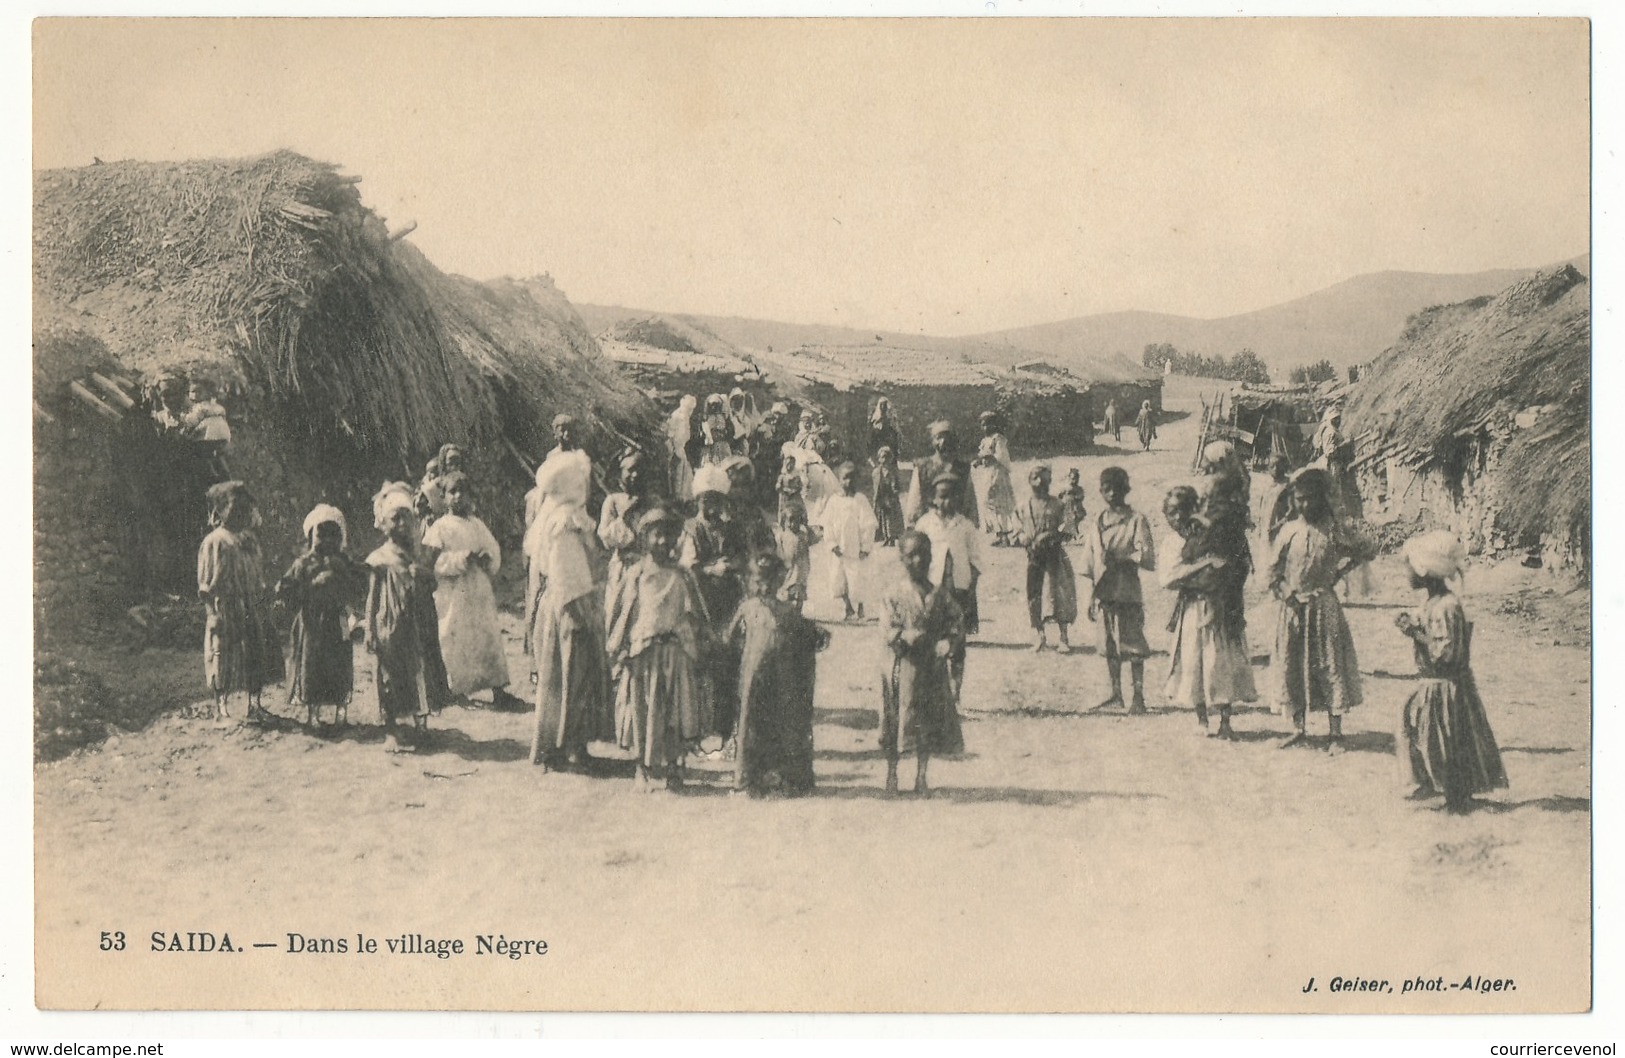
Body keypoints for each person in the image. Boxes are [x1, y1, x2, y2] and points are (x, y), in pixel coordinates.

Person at [1394, 531, 1508, 812]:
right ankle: (1438, 788)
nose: (1406, 572)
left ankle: (1456, 797)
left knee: (1448, 738)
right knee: (1427, 735)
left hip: (1446, 685)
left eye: (1410, 566)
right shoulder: (1434, 604)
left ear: (1426, 571)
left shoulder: (1446, 607)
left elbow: (1445, 652)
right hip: (1435, 683)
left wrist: (1415, 634)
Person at [606, 503, 712, 792]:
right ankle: (644, 766)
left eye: (669, 535)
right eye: (656, 535)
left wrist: (699, 648)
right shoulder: (635, 575)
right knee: (643, 711)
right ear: (644, 539)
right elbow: (623, 612)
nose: (663, 542)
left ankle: (676, 767)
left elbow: (696, 616)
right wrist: (620, 648)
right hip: (644, 654)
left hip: (676, 654)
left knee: (676, 711)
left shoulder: (683, 577)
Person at [1268, 466, 1366, 753]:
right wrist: (1287, 595)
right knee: (1292, 663)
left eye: (1310, 498)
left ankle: (1335, 733)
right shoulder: (1288, 531)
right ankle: (1298, 728)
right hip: (1293, 609)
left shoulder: (1333, 530)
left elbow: (1363, 549)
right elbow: (1272, 571)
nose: (1305, 504)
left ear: (1322, 499)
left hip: (1323, 608)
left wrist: (1337, 574)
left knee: (1329, 663)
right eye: (1299, 499)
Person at [527, 456, 614, 773]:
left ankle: (573, 743)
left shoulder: (570, 516)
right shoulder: (563, 522)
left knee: (572, 677)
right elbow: (566, 574)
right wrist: (583, 613)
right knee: (571, 677)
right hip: (569, 607)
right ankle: (568, 746)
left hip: (572, 601)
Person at [421, 472, 525, 710]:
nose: (459, 497)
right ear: (444, 497)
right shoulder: (439, 528)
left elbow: (493, 549)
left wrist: (488, 558)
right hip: (454, 593)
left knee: (487, 636)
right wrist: (459, 560)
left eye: (464, 492)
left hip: (478, 591)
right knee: (454, 638)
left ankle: (498, 688)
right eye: (453, 492)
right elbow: (431, 562)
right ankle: (456, 689)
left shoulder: (476, 524)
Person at [729, 552, 829, 797]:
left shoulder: (787, 612)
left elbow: (809, 634)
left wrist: (818, 632)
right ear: (749, 581)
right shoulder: (746, 608)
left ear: (779, 580)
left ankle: (781, 777)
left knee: (781, 723)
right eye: (757, 580)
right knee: (751, 725)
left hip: (781, 680)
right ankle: (748, 779)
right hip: (753, 679)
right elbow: (730, 638)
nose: (763, 586)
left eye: (769, 580)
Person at [1159, 486, 1256, 739]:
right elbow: (1168, 578)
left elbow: (1235, 566)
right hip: (1192, 607)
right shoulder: (1172, 543)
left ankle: (1225, 719)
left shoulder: (1213, 535)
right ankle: (1201, 717)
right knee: (1193, 661)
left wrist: (1220, 580)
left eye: (1182, 511)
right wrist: (1203, 566)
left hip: (1220, 605)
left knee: (1220, 661)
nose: (1177, 518)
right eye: (1171, 513)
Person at [364, 483, 452, 753]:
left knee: (420, 673)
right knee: (391, 675)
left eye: (406, 517)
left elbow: (433, 584)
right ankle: (392, 729)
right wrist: (369, 629)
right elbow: (372, 596)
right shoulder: (380, 558)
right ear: (384, 523)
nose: (401, 524)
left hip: (418, 624)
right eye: (395, 518)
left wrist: (422, 576)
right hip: (389, 626)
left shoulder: (421, 554)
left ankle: (421, 725)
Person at [878, 531, 966, 797]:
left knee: (925, 723)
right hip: (902, 668)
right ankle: (892, 774)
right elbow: (887, 628)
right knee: (897, 720)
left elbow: (956, 621)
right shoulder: (893, 594)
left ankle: (921, 775)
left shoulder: (938, 594)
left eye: (924, 555)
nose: (918, 560)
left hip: (930, 669)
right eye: (911, 556)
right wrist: (904, 636)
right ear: (901, 559)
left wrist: (948, 642)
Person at [275, 504, 367, 729]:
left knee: (341, 665)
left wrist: (343, 574)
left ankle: (341, 712)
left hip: (339, 621)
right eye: (321, 534)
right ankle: (313, 713)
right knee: (312, 665)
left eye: (333, 535)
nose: (327, 540)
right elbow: (288, 587)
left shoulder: (344, 562)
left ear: (341, 538)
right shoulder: (303, 563)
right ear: (310, 536)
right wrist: (292, 593)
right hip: (312, 623)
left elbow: (359, 586)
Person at [196, 481, 281, 723]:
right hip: (226, 608)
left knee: (255, 651)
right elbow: (206, 585)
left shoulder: (249, 540)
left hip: (251, 605)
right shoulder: (215, 541)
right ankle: (222, 708)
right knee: (222, 655)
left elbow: (257, 575)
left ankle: (254, 704)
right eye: (236, 508)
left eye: (245, 508)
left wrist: (262, 598)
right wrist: (212, 613)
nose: (242, 513)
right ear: (222, 510)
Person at [1079, 466, 1156, 713]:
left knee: (1132, 644)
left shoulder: (1136, 520)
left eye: (1117, 488)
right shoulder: (1098, 522)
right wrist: (1091, 596)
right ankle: (1115, 693)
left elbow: (1147, 557)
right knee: (1109, 644)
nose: (1112, 494)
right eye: (1107, 489)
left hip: (1127, 590)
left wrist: (1123, 558)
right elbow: (1091, 561)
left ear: (1126, 490)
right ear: (1101, 491)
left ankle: (1138, 696)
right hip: (1105, 591)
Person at [680, 466, 747, 749]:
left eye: (715, 500)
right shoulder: (691, 529)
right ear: (698, 502)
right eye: (705, 501)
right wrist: (712, 570)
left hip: (728, 601)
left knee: (727, 662)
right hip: (700, 600)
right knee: (700, 661)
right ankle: (699, 728)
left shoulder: (731, 528)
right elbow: (689, 565)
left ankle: (724, 725)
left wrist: (733, 565)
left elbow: (743, 557)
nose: (710, 507)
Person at [1015, 465, 1077, 653]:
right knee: (1034, 593)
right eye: (1035, 478)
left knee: (1059, 594)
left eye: (1043, 479)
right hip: (1034, 557)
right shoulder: (1024, 505)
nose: (1039, 483)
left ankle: (1063, 636)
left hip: (1054, 556)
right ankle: (1040, 635)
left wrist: (1051, 536)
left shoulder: (1058, 505)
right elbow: (1017, 528)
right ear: (1029, 481)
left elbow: (1068, 529)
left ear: (1050, 482)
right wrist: (1024, 538)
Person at [914, 473, 981, 639]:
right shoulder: (925, 523)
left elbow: (974, 556)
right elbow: (917, 550)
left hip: (957, 578)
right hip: (934, 576)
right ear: (934, 499)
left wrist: (973, 578)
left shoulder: (965, 525)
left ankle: (957, 632)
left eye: (953, 496)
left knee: (957, 605)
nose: (948, 501)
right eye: (943, 497)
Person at [817, 458, 878, 621]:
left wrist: (865, 547)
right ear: (839, 479)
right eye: (845, 477)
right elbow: (828, 524)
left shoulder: (860, 500)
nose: (848, 481)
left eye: (852, 477)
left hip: (855, 549)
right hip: (839, 550)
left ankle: (861, 607)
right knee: (839, 579)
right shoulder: (834, 501)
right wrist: (832, 544)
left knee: (857, 579)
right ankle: (847, 607)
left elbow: (868, 525)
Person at [598, 450, 653, 606]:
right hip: (623, 567)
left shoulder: (651, 501)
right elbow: (606, 539)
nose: (635, 475)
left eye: (639, 470)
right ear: (620, 474)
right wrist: (625, 517)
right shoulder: (613, 501)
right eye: (630, 470)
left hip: (649, 568)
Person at [904, 420, 979, 527]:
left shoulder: (963, 469)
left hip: (957, 526)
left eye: (948, 437)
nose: (943, 441)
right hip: (930, 525)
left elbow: (969, 502)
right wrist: (913, 525)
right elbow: (915, 502)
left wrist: (971, 526)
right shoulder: (923, 468)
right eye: (938, 437)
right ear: (932, 441)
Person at [972, 412, 1017, 546]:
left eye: (988, 424)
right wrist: (979, 461)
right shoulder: (985, 441)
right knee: (989, 503)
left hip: (997, 474)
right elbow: (982, 456)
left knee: (999, 504)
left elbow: (1002, 456)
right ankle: (998, 533)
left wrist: (991, 457)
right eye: (983, 424)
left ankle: (1004, 535)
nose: (985, 427)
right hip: (987, 474)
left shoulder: (998, 439)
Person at [773, 501, 816, 613]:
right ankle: (787, 609)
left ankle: (798, 610)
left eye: (795, 521)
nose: (793, 524)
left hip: (800, 566)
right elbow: (779, 549)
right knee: (786, 588)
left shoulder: (802, 535)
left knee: (799, 588)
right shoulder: (782, 535)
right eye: (789, 521)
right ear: (785, 522)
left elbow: (806, 549)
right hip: (788, 566)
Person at [416, 443, 466, 526]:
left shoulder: (463, 485)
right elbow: (419, 510)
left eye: (457, 464)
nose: (454, 468)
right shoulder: (431, 488)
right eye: (450, 464)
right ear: (443, 464)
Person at [666, 394, 701, 500]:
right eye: (689, 409)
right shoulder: (677, 415)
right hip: (675, 448)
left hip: (681, 448)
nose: (690, 411)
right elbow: (671, 433)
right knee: (677, 472)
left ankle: (683, 497)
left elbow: (685, 435)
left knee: (684, 473)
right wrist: (673, 449)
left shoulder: (685, 417)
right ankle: (677, 497)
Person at [871, 445, 906, 547]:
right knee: (882, 517)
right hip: (882, 497)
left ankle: (892, 537)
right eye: (882, 457)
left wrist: (895, 491)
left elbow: (897, 485)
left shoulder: (893, 471)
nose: (885, 460)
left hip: (891, 498)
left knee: (891, 518)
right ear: (879, 459)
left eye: (887, 457)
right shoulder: (876, 472)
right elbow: (876, 487)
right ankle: (885, 537)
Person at [701, 393, 735, 464]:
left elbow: (730, 431)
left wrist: (724, 435)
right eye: (712, 405)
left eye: (716, 405)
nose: (714, 407)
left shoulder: (723, 417)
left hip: (722, 444)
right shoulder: (707, 418)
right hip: (710, 446)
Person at [869, 396, 902, 462]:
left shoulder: (891, 419)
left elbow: (895, 432)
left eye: (884, 405)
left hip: (889, 444)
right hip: (878, 443)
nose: (883, 407)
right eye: (881, 405)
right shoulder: (875, 419)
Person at [1059, 468, 1087, 540]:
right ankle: (1075, 534)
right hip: (1068, 508)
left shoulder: (1079, 488)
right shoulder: (1066, 488)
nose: (1074, 481)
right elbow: (1060, 495)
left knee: (1075, 520)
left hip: (1076, 507)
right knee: (1071, 521)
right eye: (1072, 479)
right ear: (1069, 478)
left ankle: (1073, 534)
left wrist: (1076, 497)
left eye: (1076, 479)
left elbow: (1081, 496)